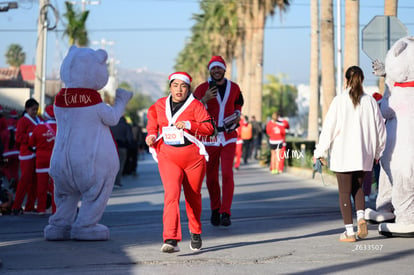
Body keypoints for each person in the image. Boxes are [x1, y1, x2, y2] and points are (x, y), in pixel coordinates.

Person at [313, 66, 386, 242]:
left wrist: (319, 151)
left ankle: (349, 232)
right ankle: (361, 218)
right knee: (358, 188)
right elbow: (380, 129)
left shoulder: (339, 101)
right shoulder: (370, 101)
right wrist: (378, 152)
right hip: (364, 154)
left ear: (346, 80)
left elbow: (328, 128)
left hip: (343, 154)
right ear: (361, 80)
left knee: (344, 193)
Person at [146, 72, 215, 253]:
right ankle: (171, 238)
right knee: (172, 194)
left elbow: (209, 129)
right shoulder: (160, 104)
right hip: (168, 155)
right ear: (170, 87)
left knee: (193, 197)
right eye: (175, 85)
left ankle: (195, 231)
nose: (179, 89)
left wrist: (190, 125)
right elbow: (152, 121)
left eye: (183, 86)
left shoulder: (196, 105)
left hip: (193, 158)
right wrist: (151, 134)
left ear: (188, 88)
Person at [194, 56, 244, 227]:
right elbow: (192, 110)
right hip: (209, 138)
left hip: (229, 136)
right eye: (213, 68)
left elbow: (239, 103)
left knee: (228, 174)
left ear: (224, 69)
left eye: (219, 68)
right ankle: (215, 208)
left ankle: (225, 212)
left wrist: (237, 114)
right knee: (211, 178)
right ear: (210, 71)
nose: (216, 71)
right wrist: (204, 100)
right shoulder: (202, 88)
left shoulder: (235, 88)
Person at [11, 98, 43, 215]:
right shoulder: (23, 121)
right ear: (27, 109)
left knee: (35, 182)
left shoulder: (39, 120)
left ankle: (29, 206)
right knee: (25, 180)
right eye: (32, 109)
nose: (35, 112)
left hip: (37, 154)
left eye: (36, 109)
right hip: (27, 155)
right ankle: (16, 206)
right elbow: (18, 137)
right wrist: (31, 138)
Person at [28, 105, 57, 214]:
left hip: (41, 160)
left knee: (41, 186)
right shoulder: (61, 127)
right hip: (55, 160)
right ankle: (55, 209)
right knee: (55, 187)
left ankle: (41, 209)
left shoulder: (39, 127)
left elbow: (31, 143)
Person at [110, 115, 133, 187]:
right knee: (120, 164)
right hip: (123, 148)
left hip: (112, 148)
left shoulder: (111, 125)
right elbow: (129, 138)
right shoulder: (126, 126)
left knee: (111, 165)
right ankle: (117, 181)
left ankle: (110, 182)